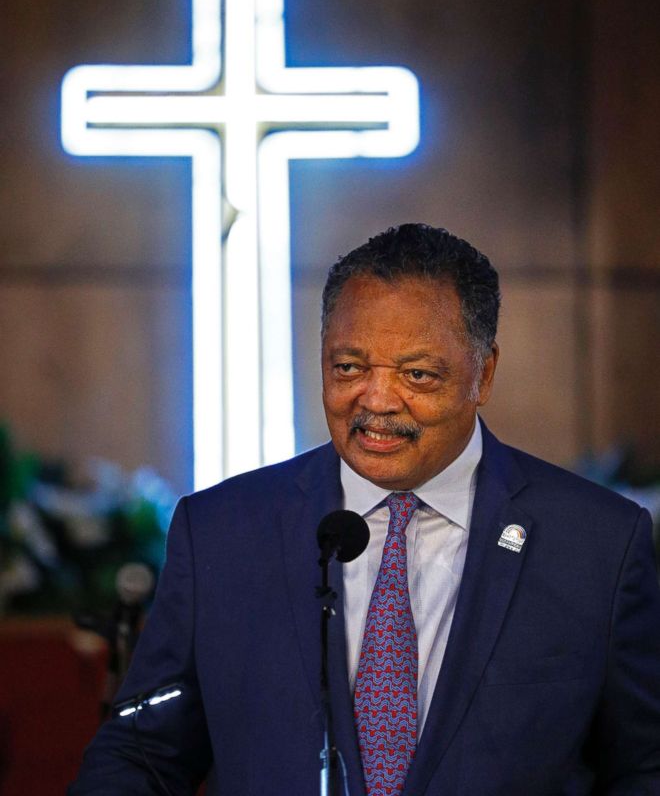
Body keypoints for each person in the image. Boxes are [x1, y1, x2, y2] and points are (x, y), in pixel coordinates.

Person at [70, 224, 660, 795]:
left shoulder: (598, 545)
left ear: (483, 374)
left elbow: (644, 765)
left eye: (417, 374)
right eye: (348, 367)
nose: (375, 401)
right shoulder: (223, 533)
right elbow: (142, 752)